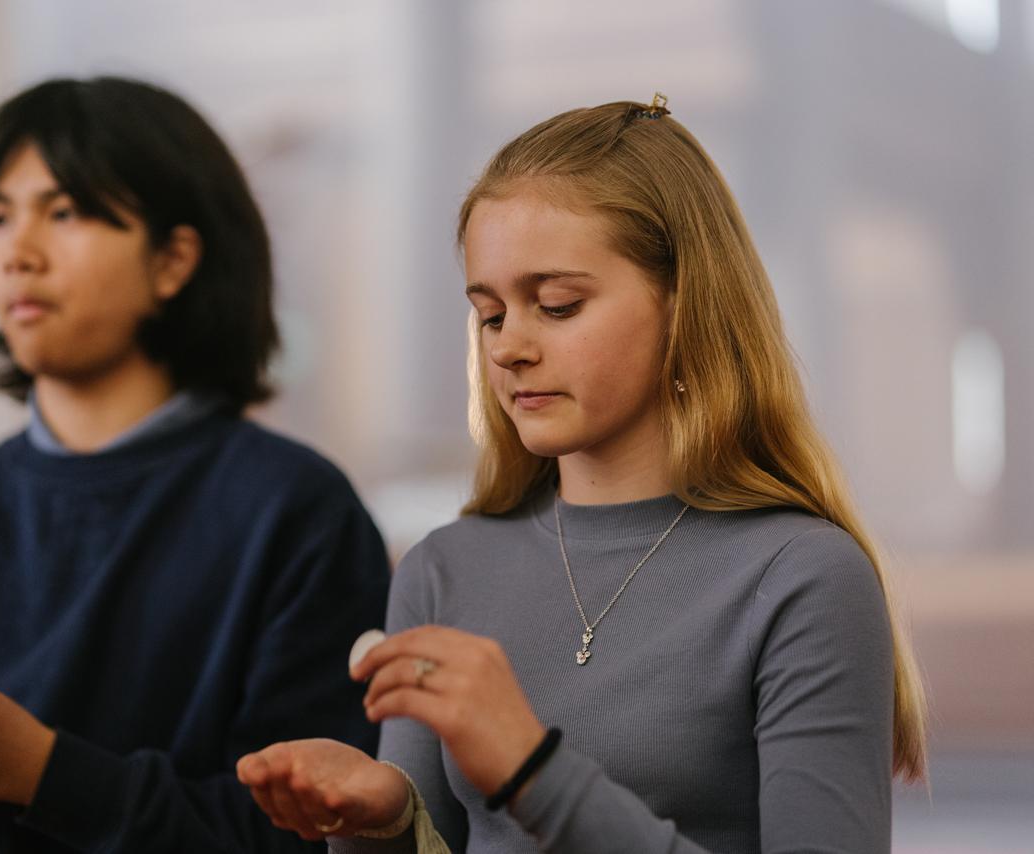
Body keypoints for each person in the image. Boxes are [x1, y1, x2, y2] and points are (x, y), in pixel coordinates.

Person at [236, 95, 928, 852]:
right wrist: (378, 827)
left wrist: (534, 771)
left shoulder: (803, 577)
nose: (509, 347)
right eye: (491, 313)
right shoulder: (442, 572)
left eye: (558, 305)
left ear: (685, 302)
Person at [0, 76, 390, 853]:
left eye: (65, 212)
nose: (18, 252)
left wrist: (46, 775)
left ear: (173, 261)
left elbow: (320, 838)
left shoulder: (297, 512)